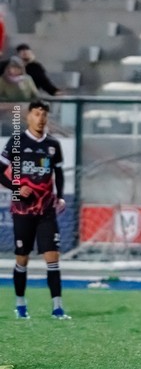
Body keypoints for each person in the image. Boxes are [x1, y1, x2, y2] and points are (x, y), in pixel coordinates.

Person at [0, 100, 69, 320]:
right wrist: (17, 186)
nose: (40, 118)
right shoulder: (17, 142)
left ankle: (57, 308)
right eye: (36, 114)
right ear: (28, 117)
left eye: (44, 114)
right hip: (23, 209)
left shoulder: (52, 145)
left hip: (47, 210)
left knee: (53, 257)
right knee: (22, 258)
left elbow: (58, 173)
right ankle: (20, 304)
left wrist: (60, 196)